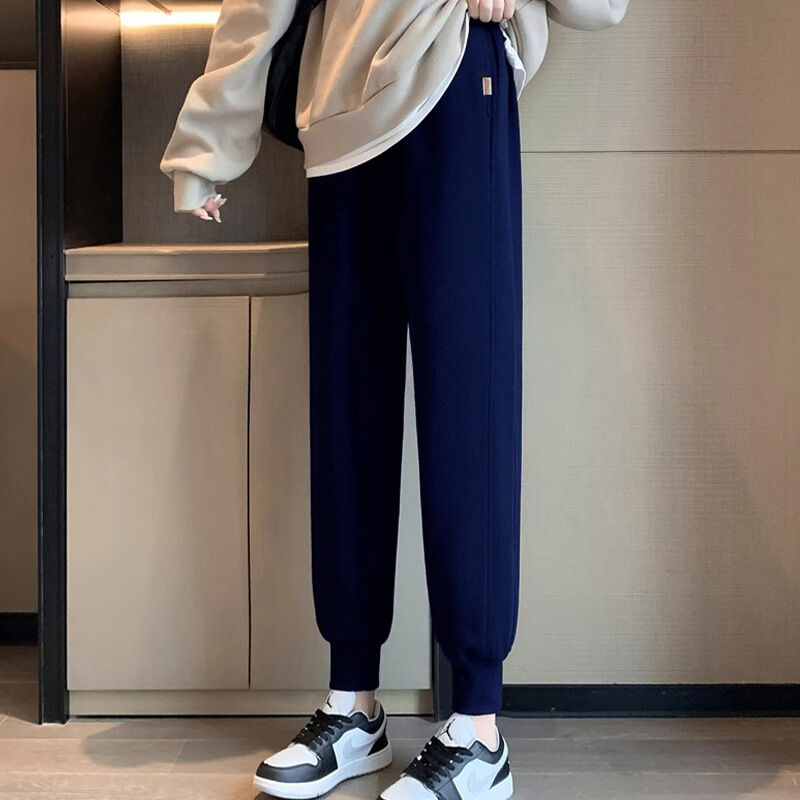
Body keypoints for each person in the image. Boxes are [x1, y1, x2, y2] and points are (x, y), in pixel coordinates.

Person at [159, 0, 630, 797]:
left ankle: (477, 726)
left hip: (456, 79)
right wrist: (208, 140)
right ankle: (354, 705)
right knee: (347, 419)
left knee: (468, 411)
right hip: (339, 119)